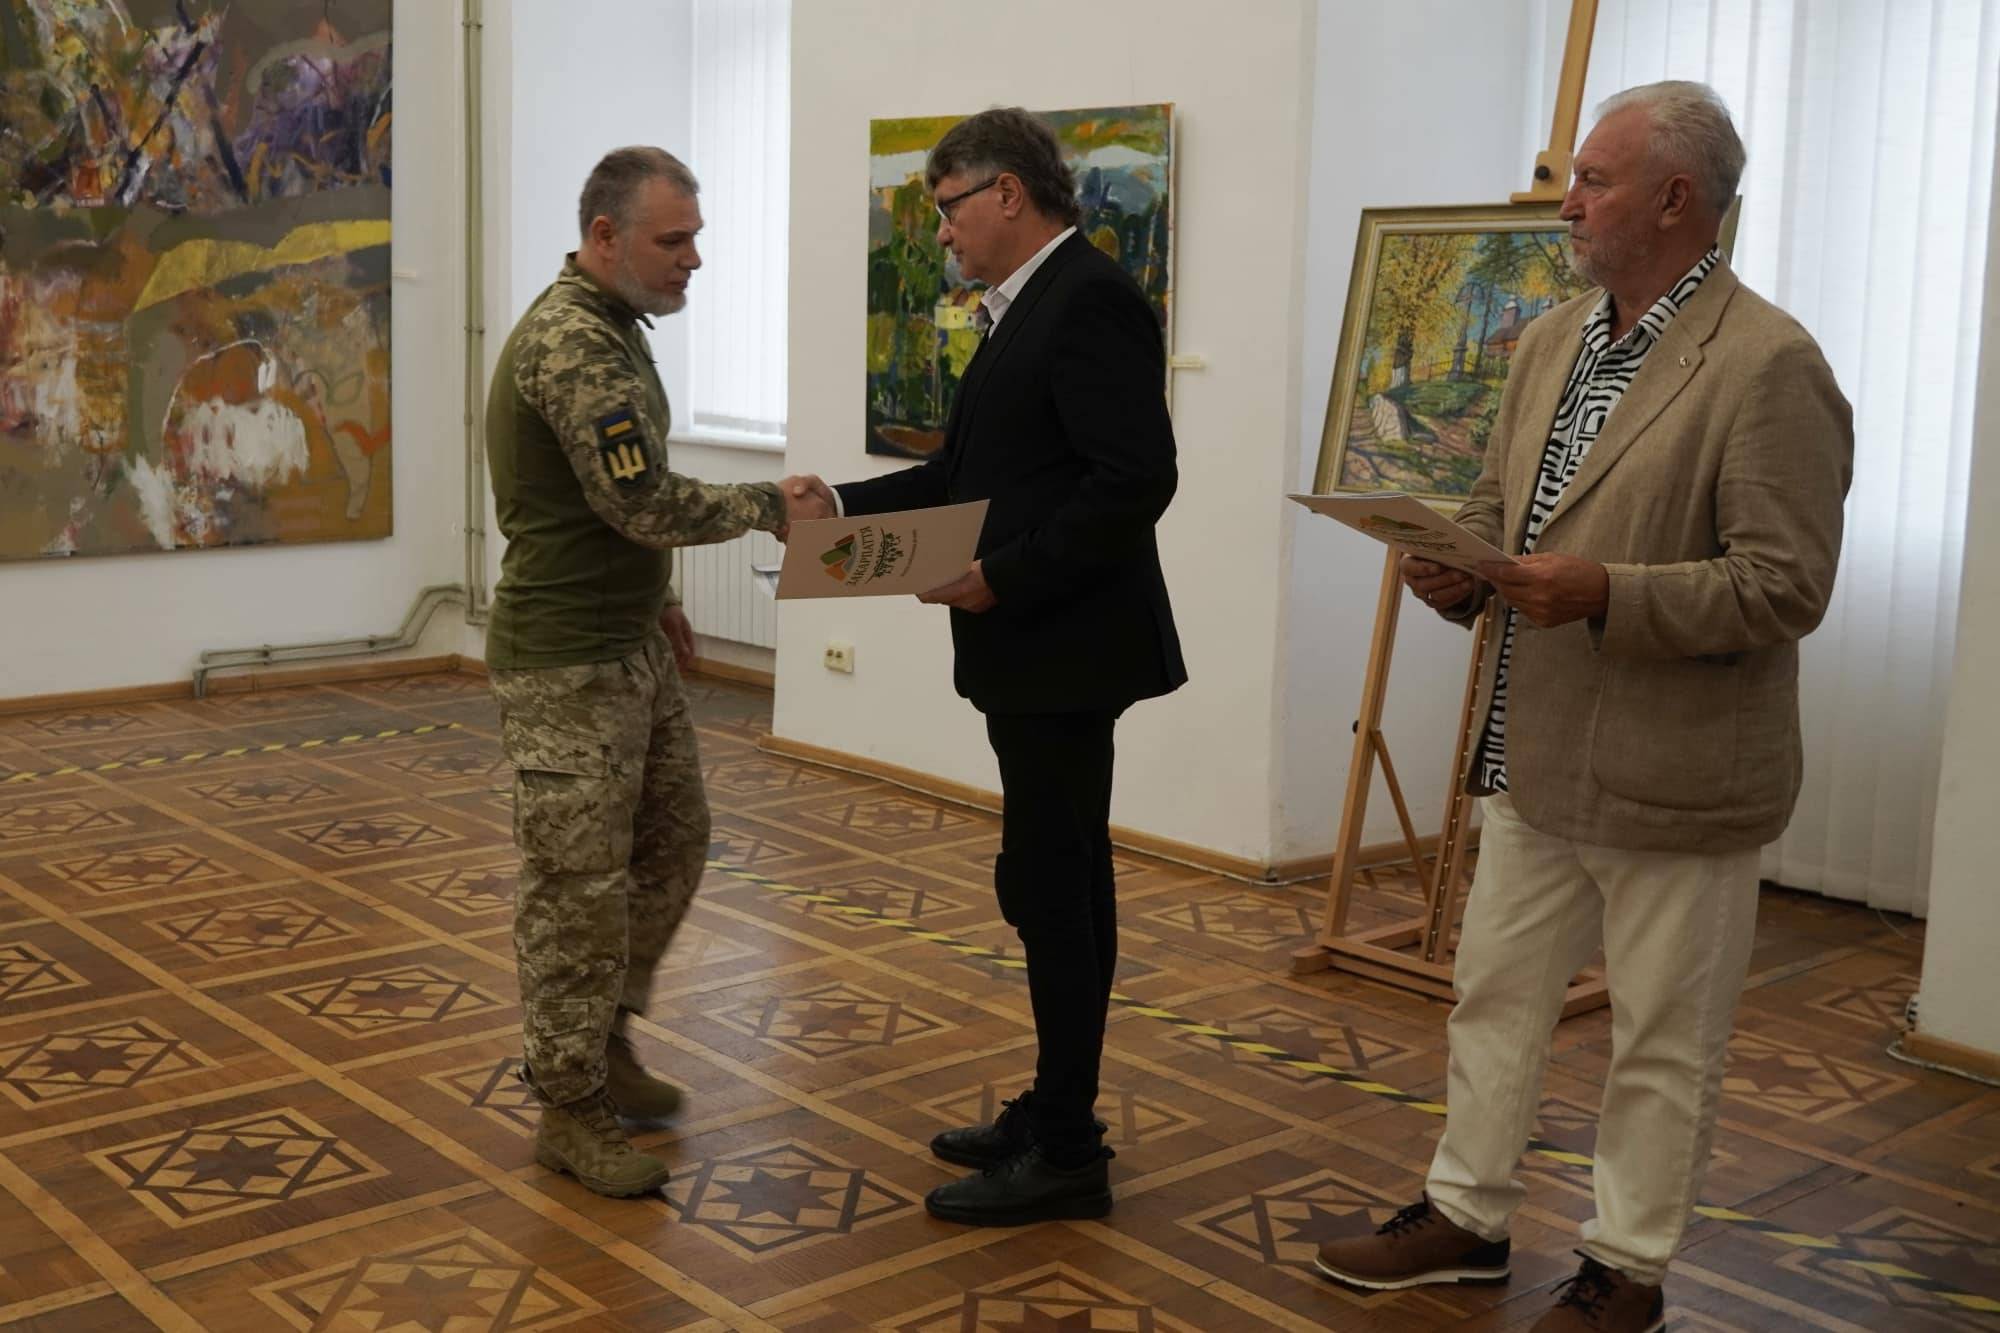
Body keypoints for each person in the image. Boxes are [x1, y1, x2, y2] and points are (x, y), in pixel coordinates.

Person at [1313, 82, 1852, 1332]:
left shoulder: (1768, 364)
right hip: (1532, 748)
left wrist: (1605, 591)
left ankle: (1625, 1269)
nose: (1565, 203)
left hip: (1678, 771)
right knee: (1493, 997)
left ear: (1674, 198)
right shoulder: (1554, 339)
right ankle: (1465, 1215)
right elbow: (1505, 513)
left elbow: (1784, 585)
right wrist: (1456, 570)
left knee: (1660, 1036)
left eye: (1591, 180)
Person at [794, 107, 1185, 1226]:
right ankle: (1056, 1108)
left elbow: (1136, 480)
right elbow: (966, 479)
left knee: (1054, 890)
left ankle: (1066, 1147)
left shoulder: (1088, 298)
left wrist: (1005, 576)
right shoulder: (1024, 306)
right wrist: (836, 506)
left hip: (1066, 648)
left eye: (949, 206)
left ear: (1008, 193)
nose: (941, 231)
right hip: (1034, 650)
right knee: (1053, 881)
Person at [485, 146, 829, 1198]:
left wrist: (665, 597)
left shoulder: (616, 330)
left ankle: (605, 1037)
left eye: (695, 238)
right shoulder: (574, 345)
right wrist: (769, 505)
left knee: (674, 839)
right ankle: (569, 1105)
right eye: (672, 240)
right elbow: (638, 501)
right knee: (576, 891)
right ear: (605, 237)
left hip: (626, 641)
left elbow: (614, 500)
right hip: (568, 663)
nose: (693, 260)